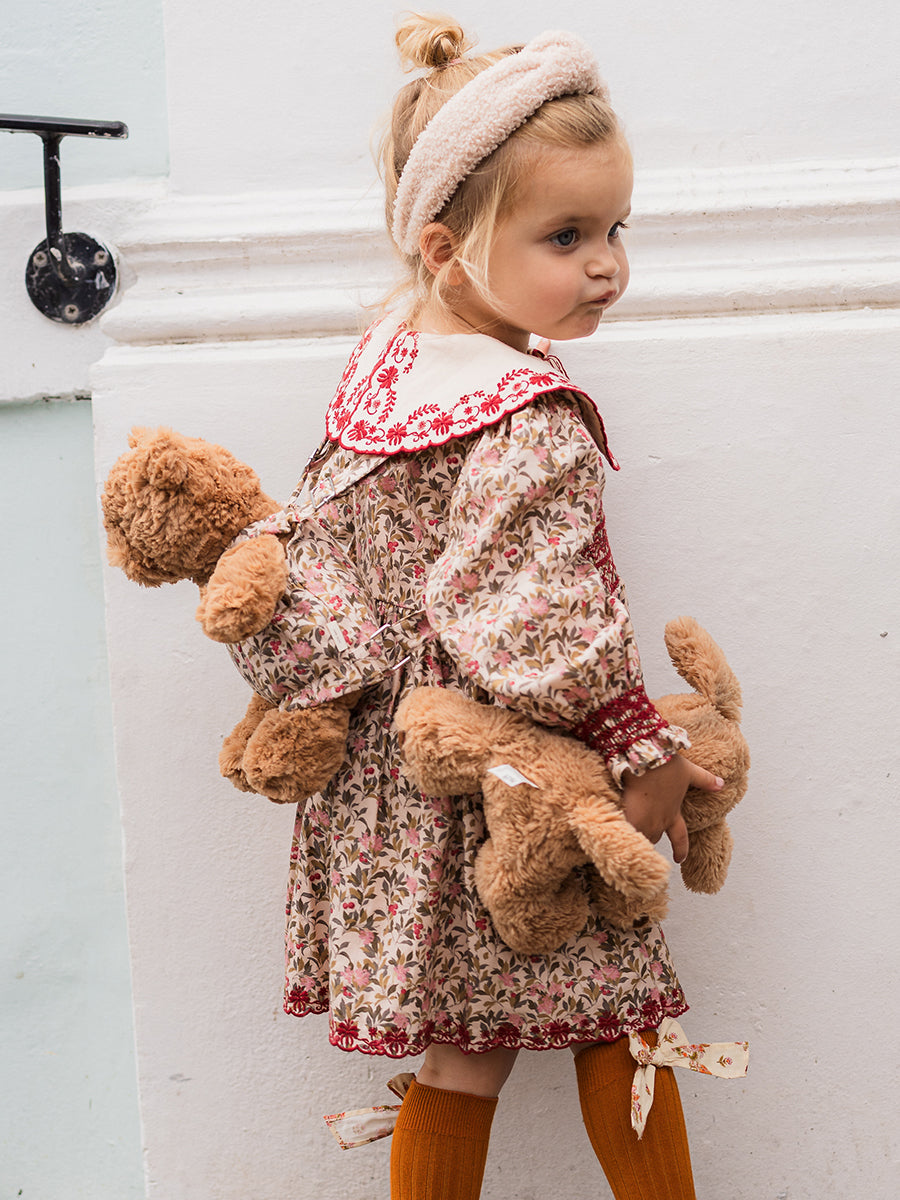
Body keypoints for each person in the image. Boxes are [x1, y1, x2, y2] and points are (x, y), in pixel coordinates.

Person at [283, 14, 728, 1199]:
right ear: (447, 247)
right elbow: (532, 617)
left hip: (404, 792)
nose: (606, 264)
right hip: (525, 779)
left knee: (464, 1049)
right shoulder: (526, 414)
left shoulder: (382, 374)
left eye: (616, 227)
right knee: (619, 1012)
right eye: (565, 235)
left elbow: (327, 565)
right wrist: (638, 743)